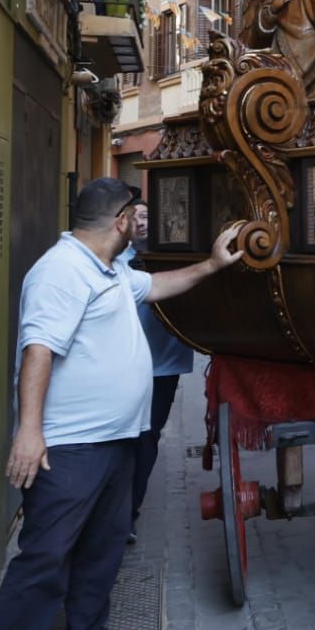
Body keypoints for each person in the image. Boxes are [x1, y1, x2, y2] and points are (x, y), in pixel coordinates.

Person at [0, 178, 244, 630]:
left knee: (100, 555)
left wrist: (213, 264)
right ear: (122, 220)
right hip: (69, 449)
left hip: (116, 442)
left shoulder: (107, 270)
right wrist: (28, 431)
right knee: (44, 560)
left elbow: (158, 287)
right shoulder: (60, 272)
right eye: (136, 217)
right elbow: (37, 350)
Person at [121, 201, 195, 543]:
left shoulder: (175, 259)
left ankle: (128, 514)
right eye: (134, 216)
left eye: (147, 216)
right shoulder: (112, 261)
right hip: (120, 366)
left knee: (148, 437)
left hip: (162, 366)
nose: (142, 222)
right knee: (123, 438)